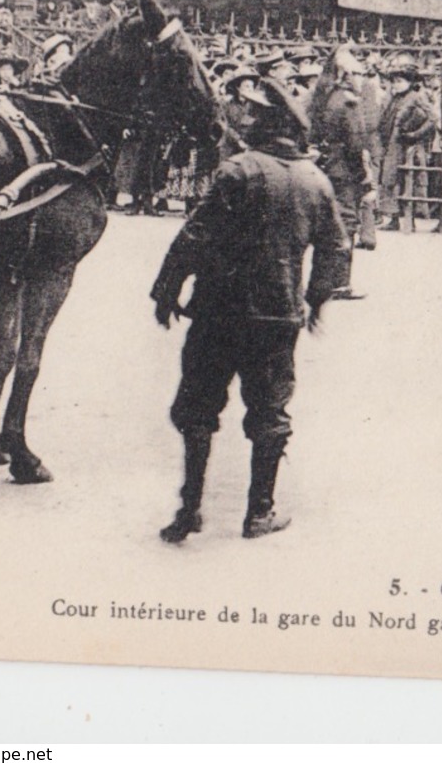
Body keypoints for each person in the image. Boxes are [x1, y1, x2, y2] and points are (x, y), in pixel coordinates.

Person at [151, 75, 350, 543]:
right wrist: (317, 299)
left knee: (197, 409)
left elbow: (194, 236)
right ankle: (259, 512)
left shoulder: (236, 171)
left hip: (218, 312)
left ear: (267, 121)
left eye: (251, 112)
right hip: (277, 316)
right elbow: (336, 247)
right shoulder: (315, 181)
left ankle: (190, 508)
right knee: (269, 413)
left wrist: (166, 290)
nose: (242, 117)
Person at [306, 47, 377, 298]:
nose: (360, 79)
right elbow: (356, 143)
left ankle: (322, 279)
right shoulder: (348, 101)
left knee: (324, 224)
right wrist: (363, 176)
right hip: (343, 171)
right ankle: (338, 282)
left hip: (323, 166)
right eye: (356, 73)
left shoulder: (323, 97)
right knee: (346, 223)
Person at [377, 56, 434, 231]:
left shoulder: (416, 97)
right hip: (393, 145)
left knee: (410, 181)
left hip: (409, 147)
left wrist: (415, 134)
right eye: (394, 81)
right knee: (391, 180)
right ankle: (393, 218)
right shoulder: (394, 99)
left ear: (410, 82)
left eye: (400, 81)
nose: (396, 84)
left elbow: (433, 119)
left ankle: (411, 221)